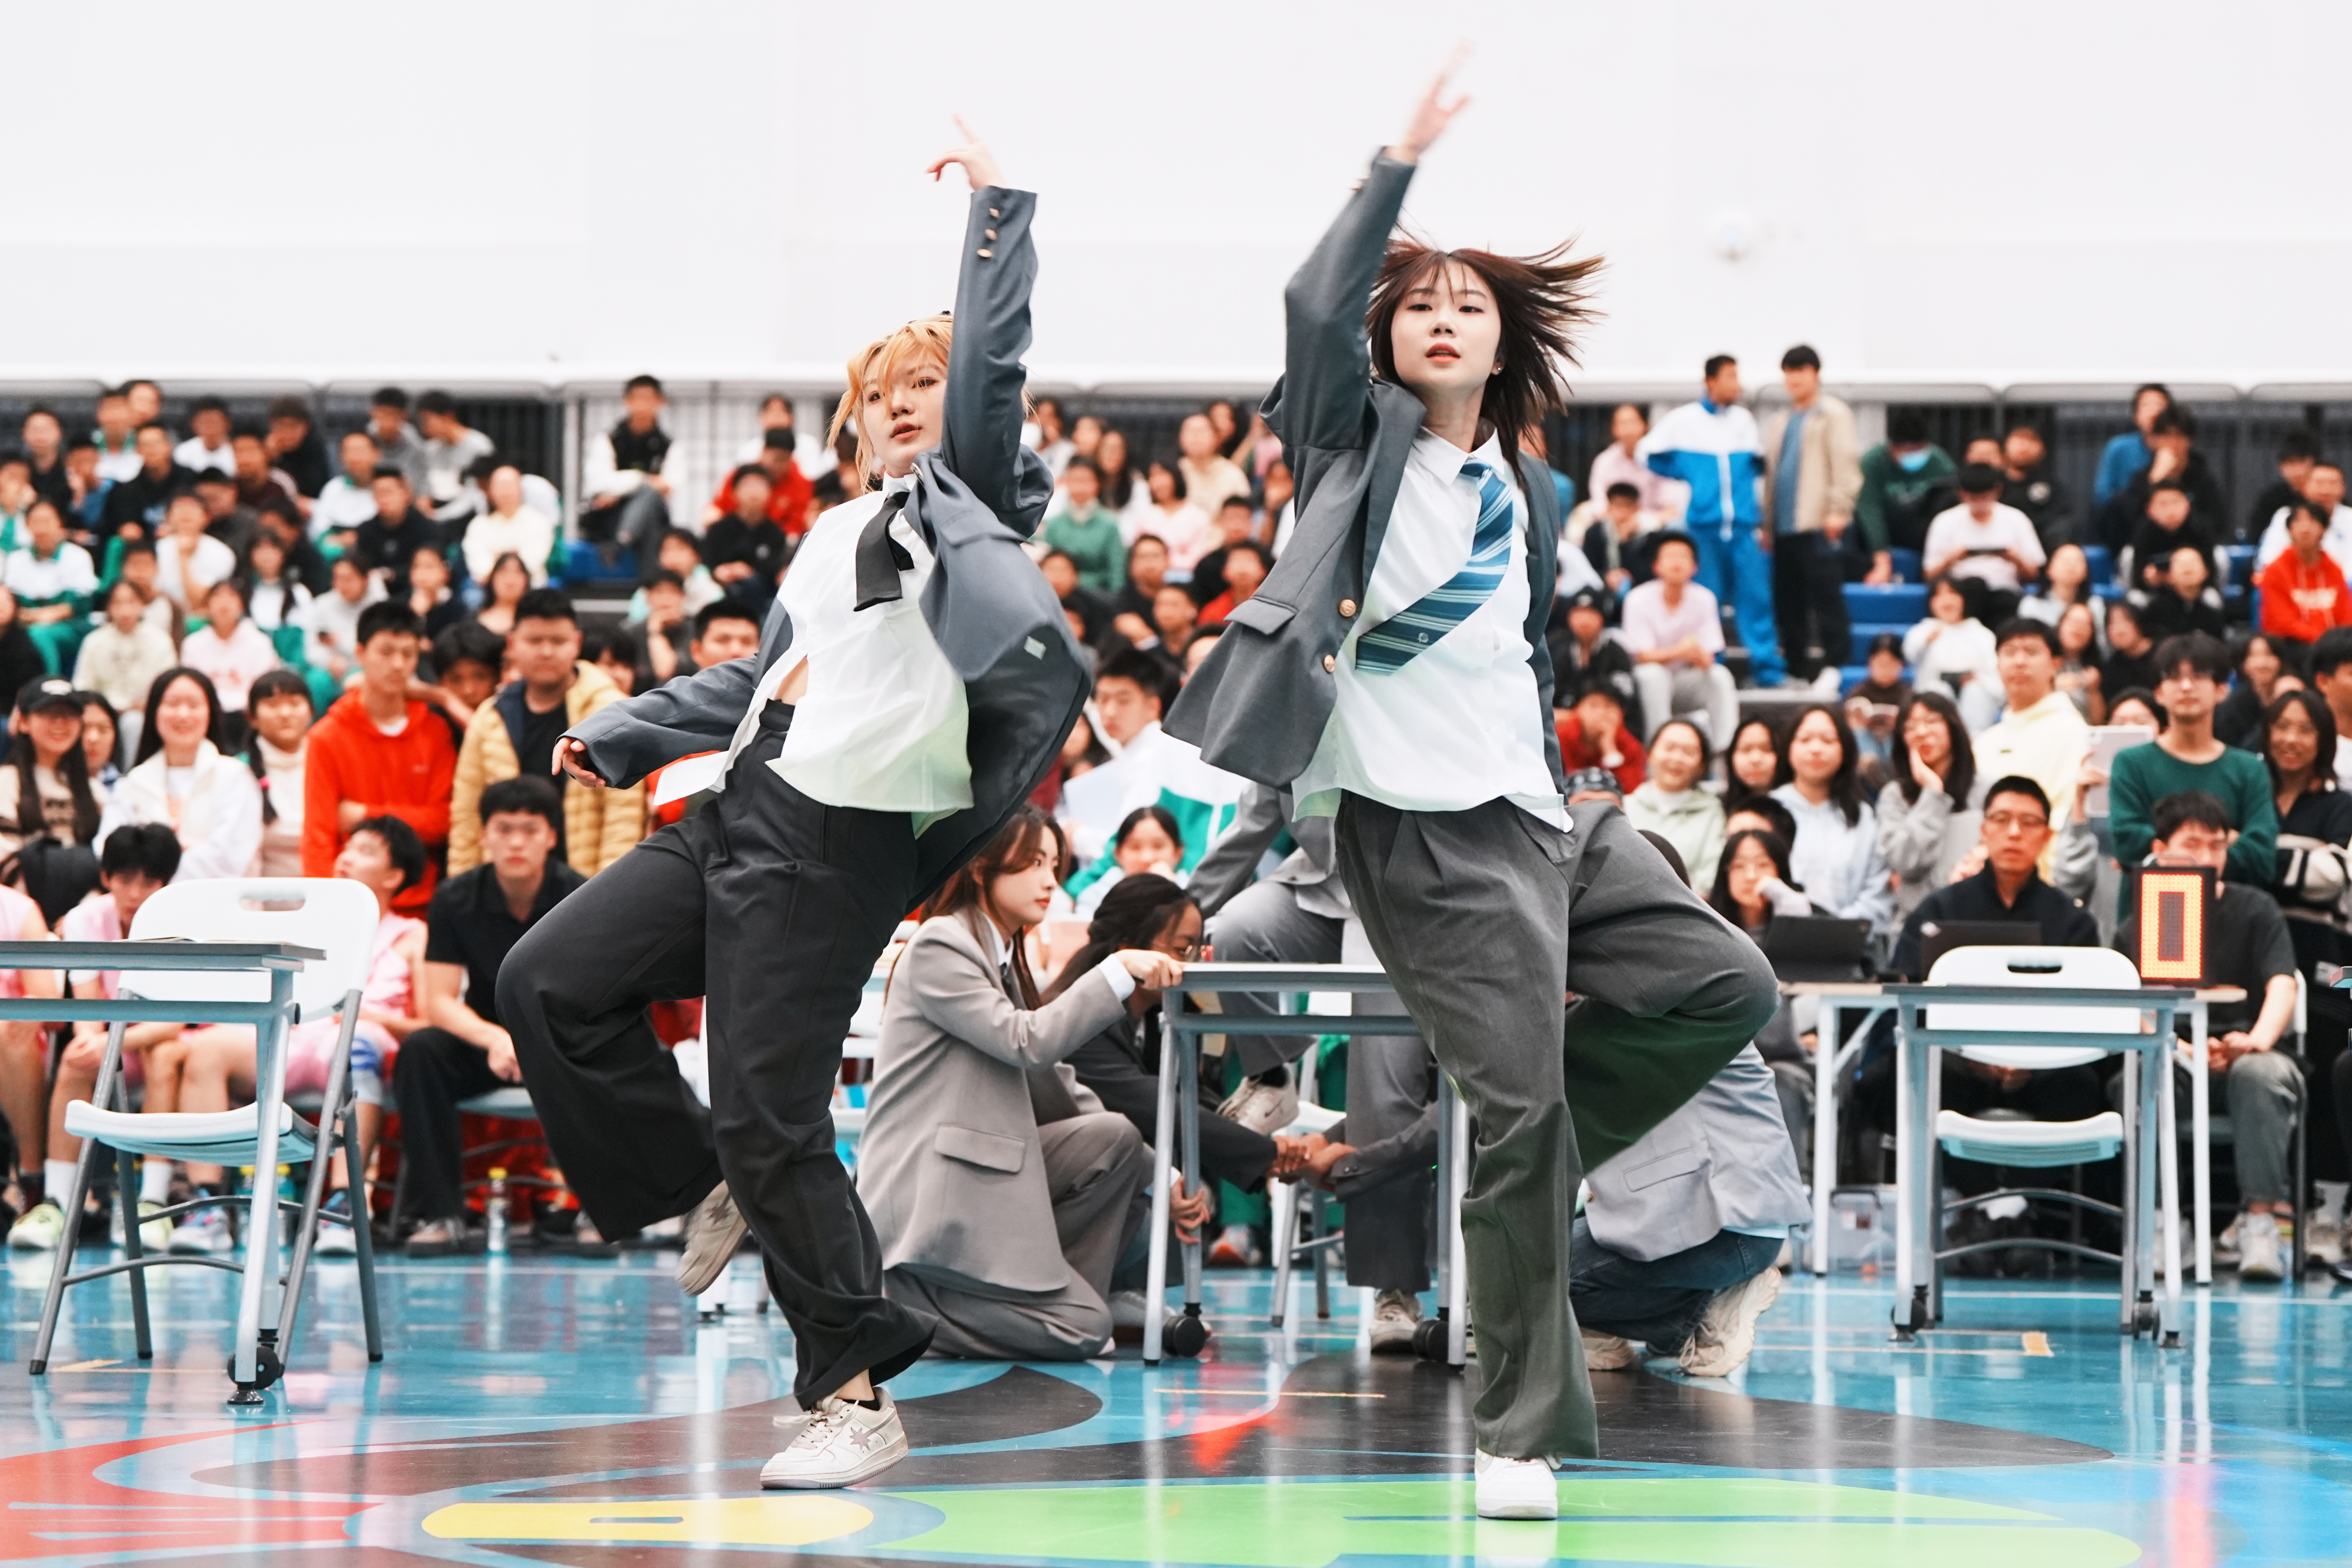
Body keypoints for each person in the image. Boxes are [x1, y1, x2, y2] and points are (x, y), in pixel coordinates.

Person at [1161, 71, 1776, 1515]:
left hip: (1548, 814)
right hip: (1421, 828)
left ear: (1505, 341)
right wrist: (1396, 164)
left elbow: (1518, 653)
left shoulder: (1533, 493)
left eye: (1469, 304)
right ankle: (1516, 1427)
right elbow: (1312, 308)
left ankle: (1496, 1150)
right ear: (1387, 336)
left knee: (1727, 988)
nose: (1442, 317)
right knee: (1522, 1122)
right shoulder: (1347, 445)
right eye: (1419, 303)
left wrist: (1557, 793)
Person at [500, 126, 1089, 1493]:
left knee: (773, 1117)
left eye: (926, 382)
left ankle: (852, 1391)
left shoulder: (960, 511)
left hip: (842, 837)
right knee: (549, 983)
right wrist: (624, 727)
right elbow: (755, 680)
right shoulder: (830, 533)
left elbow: (991, 374)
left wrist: (995, 211)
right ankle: (701, 1177)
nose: (903, 403)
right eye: (883, 389)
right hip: (741, 804)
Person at [858, 808, 1177, 1360]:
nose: (1050, 880)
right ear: (981, 866)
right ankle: (912, 1313)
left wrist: (1163, 1175)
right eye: (1032, 864)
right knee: (1085, 1329)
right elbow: (1026, 1041)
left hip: (978, 1174)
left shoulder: (1000, 955)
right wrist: (1116, 970)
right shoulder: (942, 943)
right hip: (936, 1187)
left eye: (1054, 864)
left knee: (1117, 1142)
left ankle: (1052, 1307)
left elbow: (1051, 1079)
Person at [163, 815, 427, 1257]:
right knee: (207, 1050)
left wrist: (361, 1013)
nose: (346, 858)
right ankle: (207, 1207)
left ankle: (342, 1205)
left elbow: (428, 1022)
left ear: (394, 876)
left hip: (358, 1040)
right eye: (347, 847)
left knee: (357, 1045)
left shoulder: (412, 934)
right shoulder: (309, 927)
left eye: (365, 851)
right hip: (295, 1037)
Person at [1053, 874, 1290, 1266]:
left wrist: (1280, 1149)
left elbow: (1191, 1098)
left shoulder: (1163, 1018)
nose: (1192, 964)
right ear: (1129, 949)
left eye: (1198, 950)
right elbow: (1157, 1104)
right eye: (1182, 950)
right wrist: (1275, 1154)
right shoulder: (1080, 1020)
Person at [394, 776, 587, 1254]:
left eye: (529, 829)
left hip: (559, 1042)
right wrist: (496, 1039)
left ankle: (592, 1211)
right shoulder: (454, 898)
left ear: (551, 836)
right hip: (486, 1042)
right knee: (420, 1053)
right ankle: (442, 1214)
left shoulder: (581, 896)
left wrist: (533, 1043)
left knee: (612, 1052)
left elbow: (590, 996)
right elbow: (438, 1001)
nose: (516, 842)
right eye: (504, 829)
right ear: (484, 835)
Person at [2114, 790, 2302, 1281]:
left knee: (2262, 1074)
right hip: (2173, 1054)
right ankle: (2162, 1224)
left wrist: (2255, 1041)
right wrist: (2178, 1047)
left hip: (2245, 1052)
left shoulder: (2257, 908)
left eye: (2217, 845)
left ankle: (2260, 1225)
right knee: (2142, 1075)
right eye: (2192, 845)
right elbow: (2131, 1006)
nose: (2206, 857)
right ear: (2160, 850)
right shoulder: (2139, 923)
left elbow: (2283, 983)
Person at [14, 825, 179, 1252]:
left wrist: (112, 1042)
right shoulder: (84, 919)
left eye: (149, 881)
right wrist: (93, 1041)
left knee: (165, 1053)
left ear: (165, 883)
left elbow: (176, 1021)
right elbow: (88, 1012)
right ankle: (57, 1201)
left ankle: (153, 1202)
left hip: (164, 1043)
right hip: (114, 1041)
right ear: (106, 877)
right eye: (125, 879)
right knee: (76, 1055)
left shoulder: (180, 922)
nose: (136, 892)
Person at [449, 588, 642, 878]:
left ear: (577, 643)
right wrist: (465, 889)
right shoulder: (491, 717)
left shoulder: (610, 713)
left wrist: (608, 894)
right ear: (512, 644)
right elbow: (467, 816)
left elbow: (624, 818)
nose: (546, 652)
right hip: (507, 887)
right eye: (535, 640)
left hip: (584, 883)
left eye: (558, 641)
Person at [302, 602, 459, 914]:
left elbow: (443, 820)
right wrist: (323, 908)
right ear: (360, 653)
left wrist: (364, 813)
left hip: (422, 904)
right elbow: (318, 835)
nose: (398, 664)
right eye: (386, 652)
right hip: (349, 905)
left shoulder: (435, 731)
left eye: (408, 654)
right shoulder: (326, 737)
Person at [1641, 356, 1782, 687]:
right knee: (1706, 602)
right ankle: (1709, 671)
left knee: (1756, 600)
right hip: (1704, 529)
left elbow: (1756, 469)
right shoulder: (1684, 420)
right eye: (1731, 376)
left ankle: (1768, 673)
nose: (1738, 385)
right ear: (1711, 381)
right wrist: (1688, 474)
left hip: (1744, 529)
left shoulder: (1744, 421)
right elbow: (1647, 453)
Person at [2109, 633, 2278, 900]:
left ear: (2222, 689)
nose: (2186, 687)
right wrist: (2222, 842)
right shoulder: (2131, 763)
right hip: (2149, 912)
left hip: (2231, 911)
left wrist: (2170, 849)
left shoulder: (2249, 769)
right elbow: (2128, 844)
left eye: (2199, 676)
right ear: (2159, 693)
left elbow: (2262, 857)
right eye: (2174, 677)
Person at [96, 667, 263, 883]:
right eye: (173, 704)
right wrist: (187, 847)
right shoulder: (133, 784)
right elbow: (107, 851)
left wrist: (151, 864)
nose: (183, 714)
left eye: (194, 705)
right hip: (146, 903)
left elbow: (230, 858)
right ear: (154, 712)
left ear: (211, 713)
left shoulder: (235, 777)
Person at [1759, 345, 1862, 683]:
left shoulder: (1833, 414)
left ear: (1815, 374)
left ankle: (1835, 667)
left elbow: (1846, 466)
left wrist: (1838, 511)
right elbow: (1773, 477)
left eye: (1800, 371)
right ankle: (1796, 670)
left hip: (1818, 523)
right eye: (1789, 372)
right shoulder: (1781, 420)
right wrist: (1767, 523)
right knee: (1788, 603)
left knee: (1826, 598)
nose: (1794, 379)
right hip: (1784, 527)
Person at [1769, 703, 1892, 934]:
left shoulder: (1862, 817)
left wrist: (1834, 933)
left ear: (1844, 749)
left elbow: (1876, 894)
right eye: (1805, 740)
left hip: (1848, 944)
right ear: (1788, 748)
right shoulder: (1767, 810)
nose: (1816, 749)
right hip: (1773, 944)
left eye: (1828, 740)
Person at [1618, 532, 1740, 749]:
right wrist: (1682, 651)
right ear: (1656, 566)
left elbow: (1708, 655)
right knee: (1653, 675)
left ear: (1695, 567)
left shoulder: (1705, 599)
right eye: (1670, 556)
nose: (1677, 562)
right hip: (1646, 685)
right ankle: (1660, 748)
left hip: (1685, 681)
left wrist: (1699, 657)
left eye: (1684, 556)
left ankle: (1724, 750)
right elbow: (1642, 655)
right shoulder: (1637, 598)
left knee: (1720, 676)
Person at [0, 677, 103, 921]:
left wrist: (80, 916)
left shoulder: (95, 791)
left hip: (83, 920)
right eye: (48, 713)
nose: (59, 723)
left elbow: (107, 864)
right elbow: (5, 859)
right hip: (19, 916)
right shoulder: (6, 782)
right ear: (23, 722)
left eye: (69, 715)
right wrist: (32, 918)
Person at [1876, 691, 1983, 924]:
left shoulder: (1985, 790)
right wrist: (1933, 794)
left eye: (1932, 721)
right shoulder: (1895, 796)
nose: (1922, 732)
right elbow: (1905, 862)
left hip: (1976, 920)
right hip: (1916, 922)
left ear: (1953, 727)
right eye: (1910, 727)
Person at [1923, 462, 2046, 624]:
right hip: (1963, 593)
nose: (1979, 503)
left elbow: (2034, 573)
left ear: (1997, 491)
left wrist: (2014, 558)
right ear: (1961, 494)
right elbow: (1930, 575)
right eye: (1973, 498)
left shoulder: (2016, 519)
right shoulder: (1944, 521)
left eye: (1984, 497)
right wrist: (1952, 559)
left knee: (2006, 601)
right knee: (1975, 586)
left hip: (2004, 592)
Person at [581, 374, 679, 565]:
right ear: (627, 401)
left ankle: (622, 541)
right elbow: (599, 483)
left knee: (650, 499)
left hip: (654, 515)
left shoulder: (669, 445)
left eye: (649, 398)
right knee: (649, 496)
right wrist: (642, 479)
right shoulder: (608, 439)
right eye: (638, 398)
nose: (643, 405)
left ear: (660, 402)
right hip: (610, 516)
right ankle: (645, 575)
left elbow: (669, 487)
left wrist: (624, 487)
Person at [2107, 408, 2227, 558]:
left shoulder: (2203, 479)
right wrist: (2153, 481)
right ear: (2154, 441)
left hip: (2193, 553)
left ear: (2190, 441)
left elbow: (2216, 526)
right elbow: (2125, 526)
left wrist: (2183, 517)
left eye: (2179, 436)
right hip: (2149, 552)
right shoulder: (2141, 479)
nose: (2173, 443)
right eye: (2166, 436)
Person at [1624, 717, 1726, 890]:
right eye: (1669, 748)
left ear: (1702, 765)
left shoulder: (1713, 813)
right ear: (1650, 754)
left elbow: (1710, 879)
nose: (1677, 758)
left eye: (1689, 752)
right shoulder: (1626, 807)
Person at [176, 579, 279, 737]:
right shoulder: (193, 644)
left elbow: (262, 687)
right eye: (217, 596)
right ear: (207, 606)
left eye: (231, 596)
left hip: (245, 714)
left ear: (242, 605)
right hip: (205, 714)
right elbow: (189, 686)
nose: (224, 603)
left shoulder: (260, 642)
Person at [5, 499, 97, 676]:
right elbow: (12, 605)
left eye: (47, 521)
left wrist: (36, 616)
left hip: (71, 627)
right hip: (25, 624)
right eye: (36, 522)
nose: (42, 529)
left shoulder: (78, 557)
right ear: (27, 526)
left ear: (59, 523)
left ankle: (49, 683)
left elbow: (73, 608)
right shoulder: (16, 560)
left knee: (39, 634)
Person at [72, 578, 174, 735]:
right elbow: (83, 687)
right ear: (109, 607)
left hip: (145, 713)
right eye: (118, 603)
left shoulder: (161, 641)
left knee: (133, 722)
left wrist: (145, 706)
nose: (125, 610)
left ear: (142, 604)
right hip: (103, 713)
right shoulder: (94, 642)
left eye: (131, 602)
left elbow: (168, 688)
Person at [1855, 409, 1955, 570]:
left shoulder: (1939, 462)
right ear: (1892, 447)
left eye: (1920, 449)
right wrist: (1880, 553)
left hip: (1922, 529)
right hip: (1884, 525)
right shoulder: (1873, 462)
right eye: (1909, 450)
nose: (1916, 455)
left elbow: (1949, 505)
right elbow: (1870, 507)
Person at [1904, 576, 2002, 731]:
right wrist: (1926, 642)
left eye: (1952, 593)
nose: (1947, 601)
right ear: (1931, 603)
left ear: (1963, 599)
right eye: (1939, 595)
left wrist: (1977, 679)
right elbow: (1910, 655)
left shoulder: (1982, 634)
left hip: (1975, 692)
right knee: (1938, 693)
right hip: (1936, 689)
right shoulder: (1923, 632)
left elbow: (1996, 676)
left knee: (1975, 692)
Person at [241, 668, 312, 877]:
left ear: (311, 711)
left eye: (295, 703)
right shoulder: (240, 770)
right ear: (252, 717)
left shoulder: (329, 762)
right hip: (259, 890)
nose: (285, 713)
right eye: (272, 705)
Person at [1547, 586, 1642, 734]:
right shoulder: (1560, 651)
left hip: (1611, 728)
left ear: (1602, 618)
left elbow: (1624, 702)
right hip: (1567, 729)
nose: (1584, 620)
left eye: (1591, 614)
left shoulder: (1616, 654)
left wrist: (1578, 717)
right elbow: (1551, 698)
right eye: (1579, 613)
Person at [2258, 501, 2352, 648]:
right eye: (2299, 522)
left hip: (2332, 647)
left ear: (2324, 529)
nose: (2305, 529)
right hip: (2292, 644)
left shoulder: (2334, 570)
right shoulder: (2276, 571)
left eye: (2313, 522)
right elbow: (2282, 623)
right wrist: (2321, 641)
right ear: (2290, 530)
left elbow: (2346, 617)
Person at [703, 465, 791, 620]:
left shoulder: (776, 533)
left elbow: (775, 568)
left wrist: (748, 571)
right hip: (721, 593)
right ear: (734, 492)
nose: (754, 492)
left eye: (760, 486)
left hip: (762, 598)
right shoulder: (718, 530)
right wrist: (721, 572)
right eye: (748, 486)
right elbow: (707, 562)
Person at [1065, 803, 1183, 916]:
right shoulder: (1095, 898)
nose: (1147, 858)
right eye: (1135, 847)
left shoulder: (1189, 894)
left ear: (1178, 852)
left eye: (1158, 846)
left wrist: (1171, 890)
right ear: (1118, 854)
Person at [1042, 456, 1126, 595]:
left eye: (1086, 480)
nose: (1080, 487)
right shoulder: (1054, 524)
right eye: (1075, 480)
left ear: (1097, 484)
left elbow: (1116, 573)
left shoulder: (1109, 525)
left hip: (1097, 596)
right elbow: (1046, 567)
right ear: (1066, 482)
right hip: (1059, 594)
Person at [462, 464, 556, 587]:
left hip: (531, 586)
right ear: (490, 491)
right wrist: (512, 555)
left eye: (510, 485)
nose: (506, 491)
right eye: (500, 486)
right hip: (488, 586)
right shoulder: (478, 525)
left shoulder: (538, 522)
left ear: (521, 489)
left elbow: (533, 561)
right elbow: (478, 563)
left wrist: (498, 557)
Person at [2254, 461, 2352, 576]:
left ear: (2343, 488)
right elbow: (2267, 560)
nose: (2325, 491)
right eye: (2319, 483)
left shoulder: (2350, 518)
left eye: (2332, 483)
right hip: (2292, 582)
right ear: (2305, 487)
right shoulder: (2285, 516)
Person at [353, 469, 442, 596]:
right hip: (375, 593)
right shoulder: (366, 531)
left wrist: (392, 574)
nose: (384, 499)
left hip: (416, 590)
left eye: (389, 492)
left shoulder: (427, 529)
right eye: (378, 493)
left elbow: (432, 567)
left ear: (406, 493)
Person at [413, 392, 496, 526]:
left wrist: (439, 516)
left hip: (470, 515)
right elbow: (426, 484)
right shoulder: (431, 449)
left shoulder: (479, 447)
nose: (424, 428)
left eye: (427, 421)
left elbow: (477, 493)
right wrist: (424, 498)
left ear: (448, 417)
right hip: (436, 511)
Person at [2092, 383, 2173, 519]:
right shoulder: (2118, 448)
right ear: (2136, 417)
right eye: (2146, 405)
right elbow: (2102, 497)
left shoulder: (2179, 448)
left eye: (2160, 405)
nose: (2153, 411)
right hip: (2124, 520)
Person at [1555, 676, 1645, 794]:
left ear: (1622, 713)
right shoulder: (1560, 737)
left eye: (1609, 706)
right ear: (1578, 709)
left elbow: (1633, 793)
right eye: (1594, 706)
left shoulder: (1630, 746)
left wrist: (1610, 749)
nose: (1601, 713)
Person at [1586, 402, 1673, 520]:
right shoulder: (1604, 461)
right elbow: (1599, 503)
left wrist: (1644, 522)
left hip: (1650, 523)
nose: (1628, 429)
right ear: (1613, 429)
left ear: (1645, 425)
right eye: (1623, 423)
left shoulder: (1659, 460)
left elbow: (1672, 506)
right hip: (1613, 522)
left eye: (1632, 422)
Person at [2135, 543, 2230, 642]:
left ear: (2206, 572)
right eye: (2180, 564)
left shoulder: (2213, 616)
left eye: (2193, 562)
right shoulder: (2154, 614)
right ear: (2169, 575)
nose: (2187, 567)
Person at [2000, 422, 2074, 546]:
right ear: (2005, 446)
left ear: (2044, 451)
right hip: (1997, 544)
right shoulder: (1991, 485)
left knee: (2070, 553)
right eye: (2019, 439)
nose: (2024, 446)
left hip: (2043, 545)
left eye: (2032, 440)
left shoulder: (2053, 488)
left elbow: (2060, 522)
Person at [1581, 482, 1659, 593]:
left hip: (1639, 590)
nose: (1623, 512)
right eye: (1617, 506)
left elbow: (1649, 573)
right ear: (1609, 507)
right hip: (1601, 589)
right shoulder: (1596, 532)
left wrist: (1625, 542)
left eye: (1628, 506)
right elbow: (1587, 567)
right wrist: (1606, 577)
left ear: (1637, 508)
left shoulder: (1650, 535)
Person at [310, 430, 384, 547]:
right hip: (339, 548)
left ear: (377, 454)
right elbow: (318, 531)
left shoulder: (388, 488)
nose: (354, 457)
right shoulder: (333, 489)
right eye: (349, 451)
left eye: (360, 450)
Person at [2022, 541, 2104, 628]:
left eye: (2077, 561)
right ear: (2049, 569)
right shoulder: (2032, 604)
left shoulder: (2094, 605)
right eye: (2065, 561)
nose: (2071, 566)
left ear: (2086, 572)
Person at [1723, 715, 1789, 815]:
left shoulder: (1794, 807)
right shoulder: (1719, 811)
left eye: (1766, 749)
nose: (1756, 759)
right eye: (1746, 749)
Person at [472, 551, 532, 638]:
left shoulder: (535, 620)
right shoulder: (473, 619)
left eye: (517, 572)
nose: (510, 579)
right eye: (504, 572)